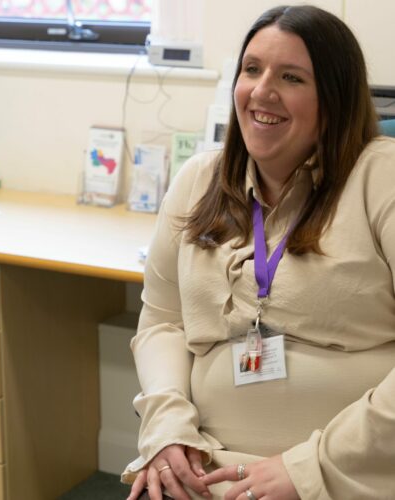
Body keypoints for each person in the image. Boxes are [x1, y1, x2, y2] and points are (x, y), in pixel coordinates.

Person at [121, 4, 395, 500]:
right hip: (202, 462)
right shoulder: (197, 181)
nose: (261, 91)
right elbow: (162, 321)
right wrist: (166, 430)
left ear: (333, 99)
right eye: (252, 70)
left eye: (291, 77)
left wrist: (310, 468)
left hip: (344, 475)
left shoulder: (382, 177)